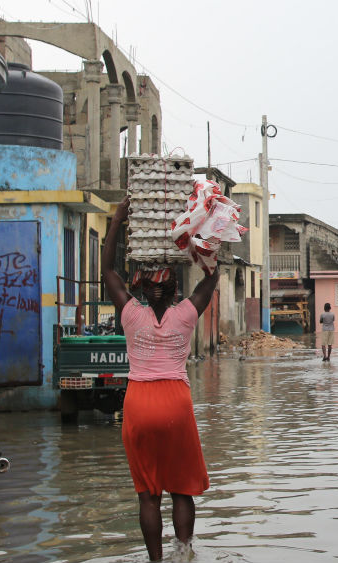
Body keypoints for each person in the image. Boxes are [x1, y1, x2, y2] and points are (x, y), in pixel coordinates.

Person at [102, 196, 219, 562]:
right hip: (175, 402)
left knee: (148, 494)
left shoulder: (130, 313)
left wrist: (118, 221)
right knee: (181, 490)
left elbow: (106, 270)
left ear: (139, 289)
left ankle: (155, 561)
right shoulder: (186, 314)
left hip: (138, 402)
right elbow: (212, 276)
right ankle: (183, 555)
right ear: (172, 292)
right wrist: (201, 235)